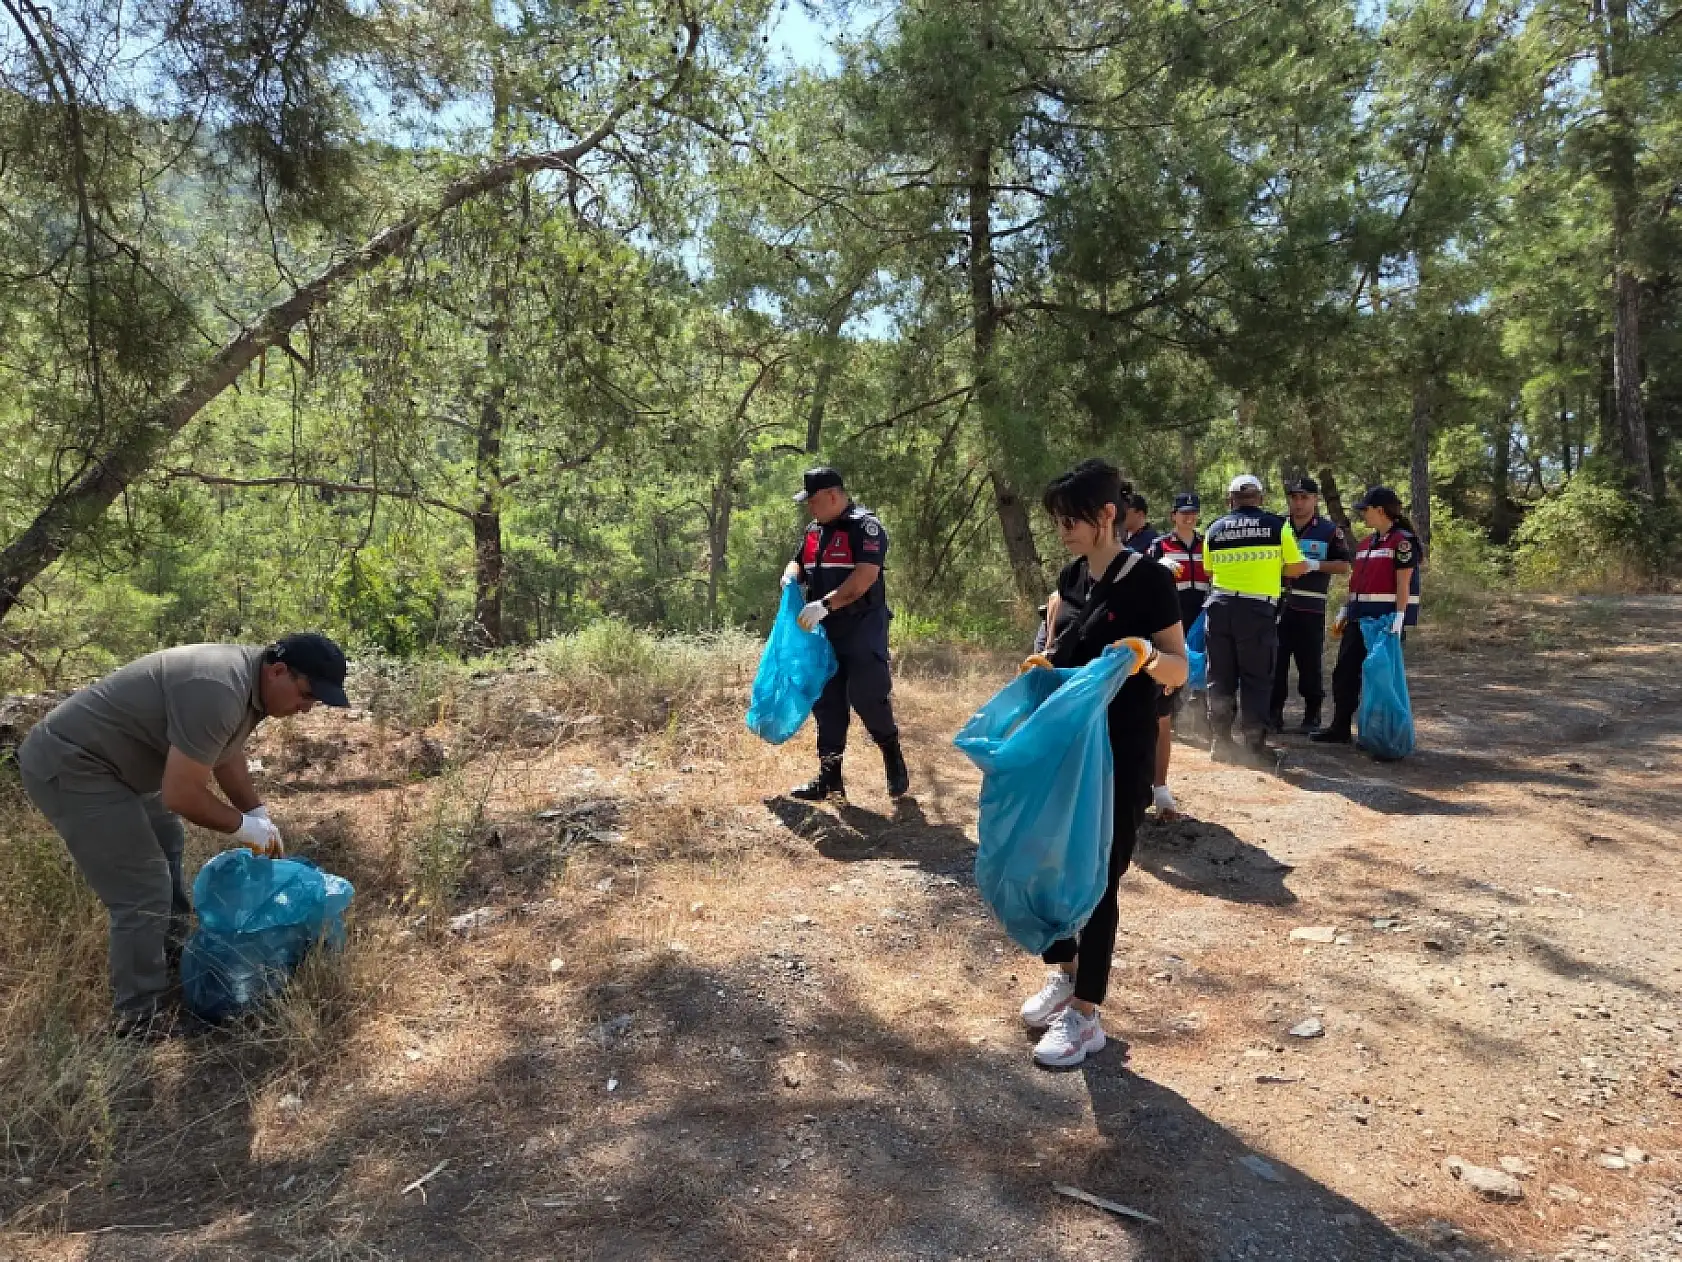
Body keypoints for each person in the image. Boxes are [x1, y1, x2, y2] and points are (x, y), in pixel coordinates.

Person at [14, 633, 351, 1038]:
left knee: (168, 845)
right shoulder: (218, 688)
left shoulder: (249, 687)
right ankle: (138, 1017)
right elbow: (180, 794)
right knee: (142, 888)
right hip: (73, 764)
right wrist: (244, 827)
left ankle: (172, 956)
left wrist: (256, 811)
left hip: (123, 768)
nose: (306, 708)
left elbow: (225, 753)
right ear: (279, 670)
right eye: (307, 694)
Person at [1018, 460, 1187, 1068]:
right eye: (1057, 519)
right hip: (1067, 745)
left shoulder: (1150, 580)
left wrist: (1145, 657)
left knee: (1099, 876)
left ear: (1107, 514)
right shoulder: (1072, 576)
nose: (1062, 529)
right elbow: (1061, 645)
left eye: (1072, 519)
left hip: (1120, 747)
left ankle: (1087, 1016)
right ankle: (1064, 975)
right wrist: (1044, 665)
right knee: (1054, 864)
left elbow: (1179, 667)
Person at [780, 466, 908, 802]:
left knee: (868, 695)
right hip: (824, 631)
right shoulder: (814, 531)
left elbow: (864, 577)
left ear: (833, 496)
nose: (810, 508)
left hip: (862, 626)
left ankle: (892, 754)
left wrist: (825, 603)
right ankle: (829, 779)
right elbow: (799, 562)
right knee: (827, 702)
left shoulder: (865, 527)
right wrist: (790, 577)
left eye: (814, 501)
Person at [1201, 474, 1312, 764]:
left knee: (1220, 676)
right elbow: (1297, 567)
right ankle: (1254, 745)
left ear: (1230, 500)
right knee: (1256, 677)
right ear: (1260, 499)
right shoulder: (1278, 526)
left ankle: (1220, 742)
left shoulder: (1214, 529)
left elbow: (1209, 571)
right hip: (1256, 610)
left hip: (1219, 607)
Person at [1312, 486, 1421, 746]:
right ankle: (1340, 728)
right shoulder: (1366, 544)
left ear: (1380, 511)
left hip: (1384, 623)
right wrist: (1346, 609)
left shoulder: (1402, 542)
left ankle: (1384, 735)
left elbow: (1403, 583)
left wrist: (1399, 617)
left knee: (1380, 678)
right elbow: (1358, 581)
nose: (1363, 514)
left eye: (1366, 509)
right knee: (1344, 674)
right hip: (1359, 619)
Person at [1269, 475, 1353, 733]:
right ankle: (1274, 714)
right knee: (1276, 662)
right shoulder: (1276, 526)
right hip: (1278, 606)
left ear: (1315, 500)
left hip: (1310, 609)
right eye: (1294, 497)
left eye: (1304, 497)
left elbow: (1344, 565)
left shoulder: (1328, 530)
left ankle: (1312, 713)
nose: (1298, 503)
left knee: (1310, 665)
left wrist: (1314, 565)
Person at [1145, 492, 1211, 817]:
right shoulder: (1159, 546)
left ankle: (1200, 716)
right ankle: (1176, 715)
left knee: (1202, 668)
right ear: (1173, 515)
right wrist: (1157, 567)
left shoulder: (1206, 543)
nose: (1189, 517)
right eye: (1183, 513)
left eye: (1193, 513)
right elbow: (1144, 576)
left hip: (1203, 615)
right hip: (1171, 618)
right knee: (1175, 669)